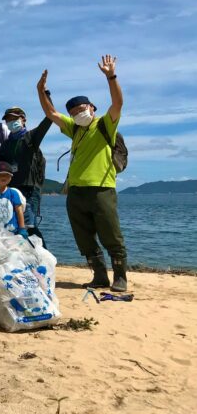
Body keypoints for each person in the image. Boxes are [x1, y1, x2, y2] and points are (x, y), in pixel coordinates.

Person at [37, 56, 128, 291]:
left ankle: (120, 277)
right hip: (75, 193)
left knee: (111, 235)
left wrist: (111, 76)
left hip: (101, 190)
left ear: (92, 108)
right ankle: (99, 276)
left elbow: (117, 103)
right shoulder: (75, 130)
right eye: (74, 111)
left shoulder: (104, 125)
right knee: (83, 237)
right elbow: (51, 113)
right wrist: (40, 90)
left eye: (82, 108)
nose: (79, 113)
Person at [0, 106, 53, 244]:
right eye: (8, 120)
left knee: (30, 225)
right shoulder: (5, 144)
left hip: (29, 189)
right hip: (11, 189)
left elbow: (48, 120)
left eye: (14, 118)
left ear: (23, 119)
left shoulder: (31, 137)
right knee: (14, 224)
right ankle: (23, 258)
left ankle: (42, 255)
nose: (11, 122)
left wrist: (46, 96)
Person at [0, 161, 26, 236]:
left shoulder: (13, 193)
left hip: (11, 232)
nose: (4, 177)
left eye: (7, 175)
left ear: (11, 178)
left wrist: (22, 228)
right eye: (0, 175)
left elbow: (19, 211)